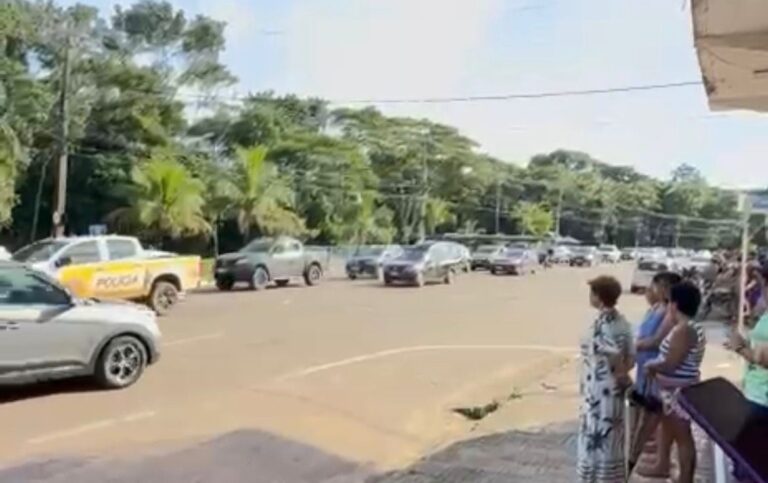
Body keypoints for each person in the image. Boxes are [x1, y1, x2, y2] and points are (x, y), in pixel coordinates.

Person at [643, 282, 706, 483]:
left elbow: (671, 363)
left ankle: (686, 478)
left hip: (678, 392)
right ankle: (669, 469)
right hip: (671, 390)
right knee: (671, 430)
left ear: (675, 305)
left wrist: (652, 367)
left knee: (682, 437)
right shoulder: (686, 328)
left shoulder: (684, 330)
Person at [577, 275, 634, 483]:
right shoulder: (623, 323)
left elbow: (613, 354)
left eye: (592, 292)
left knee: (597, 433)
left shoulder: (602, 326)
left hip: (599, 391)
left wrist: (616, 371)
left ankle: (596, 477)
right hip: (612, 391)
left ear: (598, 297)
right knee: (613, 436)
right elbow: (631, 359)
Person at [631, 272, 682, 469]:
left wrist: (634, 346)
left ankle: (638, 457)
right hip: (648, 367)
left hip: (656, 368)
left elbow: (657, 341)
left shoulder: (670, 313)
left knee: (654, 414)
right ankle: (654, 456)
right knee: (654, 414)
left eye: (656, 286)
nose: (651, 290)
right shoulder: (659, 308)